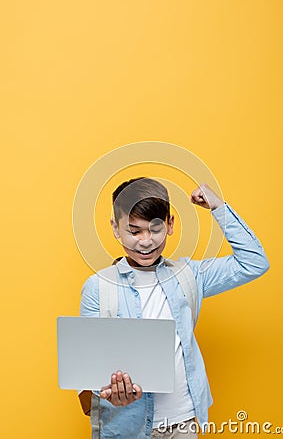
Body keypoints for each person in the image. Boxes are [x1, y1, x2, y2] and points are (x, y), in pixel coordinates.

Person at [79, 177, 270, 438]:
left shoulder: (190, 275)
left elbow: (254, 263)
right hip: (126, 429)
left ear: (170, 224)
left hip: (183, 424)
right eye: (134, 231)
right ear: (115, 228)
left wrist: (218, 207)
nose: (146, 241)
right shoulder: (97, 287)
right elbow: (88, 373)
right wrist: (111, 396)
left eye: (155, 229)